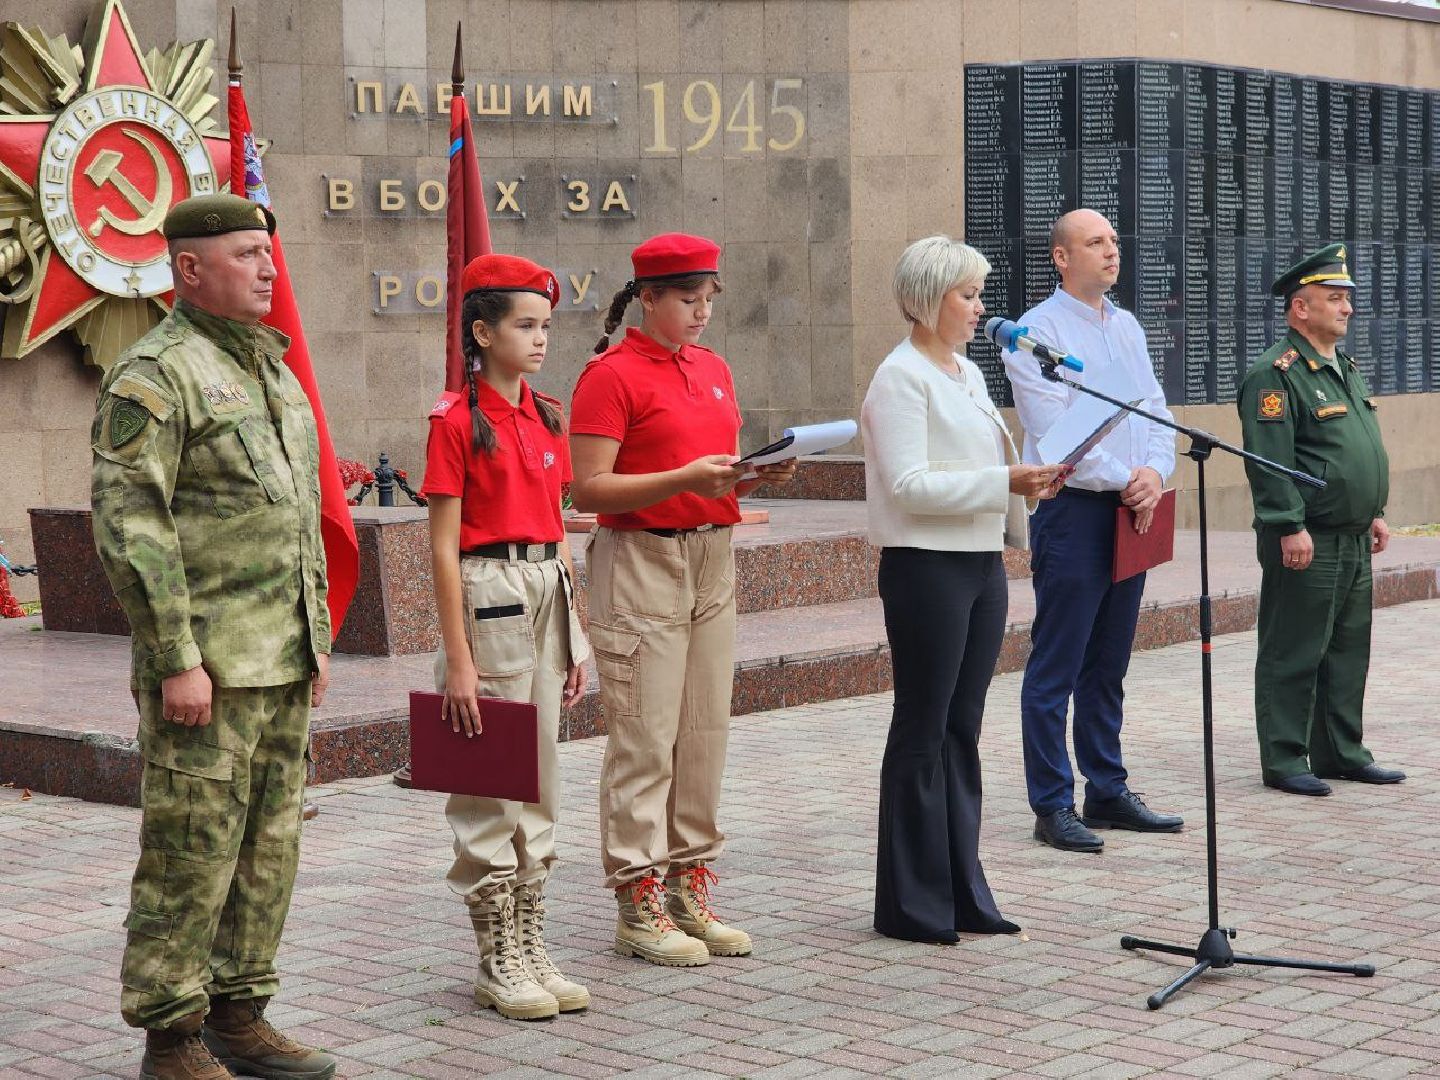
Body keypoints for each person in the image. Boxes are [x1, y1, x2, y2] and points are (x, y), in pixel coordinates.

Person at [90, 194, 335, 1080]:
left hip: (278, 659)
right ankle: (171, 1036)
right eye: (246, 254)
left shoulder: (273, 371)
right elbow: (132, 524)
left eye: (269, 253)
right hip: (210, 669)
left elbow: (296, 520)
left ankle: (241, 1015)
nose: (269, 268)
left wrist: (314, 645)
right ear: (190, 269)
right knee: (190, 853)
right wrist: (176, 658)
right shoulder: (157, 374)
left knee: (269, 851)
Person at [569, 232, 796, 967]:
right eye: (689, 300)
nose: (702, 313)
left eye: (708, 301)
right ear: (651, 298)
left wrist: (754, 476)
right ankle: (637, 898)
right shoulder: (610, 375)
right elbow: (589, 489)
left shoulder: (713, 368)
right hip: (641, 560)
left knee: (703, 733)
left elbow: (711, 473)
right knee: (645, 734)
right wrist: (685, 481)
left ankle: (687, 883)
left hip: (711, 558)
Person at [862, 236, 1063, 943]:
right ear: (928, 299)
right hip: (925, 567)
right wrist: (1005, 482)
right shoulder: (900, 377)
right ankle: (912, 903)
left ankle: (961, 889)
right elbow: (910, 485)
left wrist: (1026, 488)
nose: (982, 309)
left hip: (978, 564)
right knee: (923, 725)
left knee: (962, 728)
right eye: (968, 295)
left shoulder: (964, 372)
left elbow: (979, 465)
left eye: (979, 294)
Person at [419, 254, 592, 1019]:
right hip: (487, 595)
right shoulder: (457, 423)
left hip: (546, 592)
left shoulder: (548, 417)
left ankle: (530, 941)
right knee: (493, 779)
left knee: (543, 780)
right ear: (482, 332)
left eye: (546, 325)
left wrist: (575, 638)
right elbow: (443, 547)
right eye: (525, 325)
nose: (540, 338)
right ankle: (496, 955)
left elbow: (555, 538)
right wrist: (457, 659)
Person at [1002, 208, 1184, 854]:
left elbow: (1155, 409)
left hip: (1132, 507)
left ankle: (1106, 787)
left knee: (1108, 662)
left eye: (1114, 239)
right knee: (1059, 664)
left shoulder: (1127, 325)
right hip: (1074, 511)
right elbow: (1055, 430)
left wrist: (1154, 473)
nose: (1112, 251)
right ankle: (1052, 802)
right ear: (1060, 256)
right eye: (1095, 242)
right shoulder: (1033, 334)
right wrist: (1126, 479)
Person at [1237, 243, 1405, 796]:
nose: (1347, 309)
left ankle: (1342, 753)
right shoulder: (1275, 374)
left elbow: (1354, 448)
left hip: (1352, 536)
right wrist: (1288, 524)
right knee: (1295, 647)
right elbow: (1270, 462)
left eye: (1347, 299)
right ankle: (1286, 759)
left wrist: (1374, 513)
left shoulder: (1343, 369)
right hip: (1308, 538)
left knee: (1346, 648)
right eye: (1334, 299)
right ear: (1299, 308)